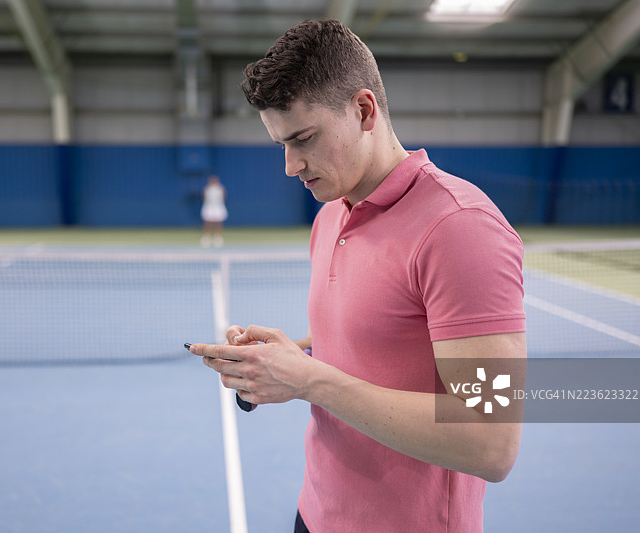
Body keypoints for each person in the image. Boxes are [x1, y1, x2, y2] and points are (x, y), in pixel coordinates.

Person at [189, 19, 526, 533]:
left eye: (303, 138)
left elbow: (491, 441)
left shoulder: (460, 229)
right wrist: (287, 356)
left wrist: (308, 379)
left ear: (364, 110)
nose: (290, 165)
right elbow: (371, 344)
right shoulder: (330, 214)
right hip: (317, 513)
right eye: (280, 143)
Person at [200, 175, 227, 248]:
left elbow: (224, 197)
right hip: (209, 207)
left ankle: (218, 238)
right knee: (207, 223)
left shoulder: (221, 189)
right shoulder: (207, 189)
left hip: (218, 207)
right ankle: (206, 238)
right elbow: (203, 197)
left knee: (219, 223)